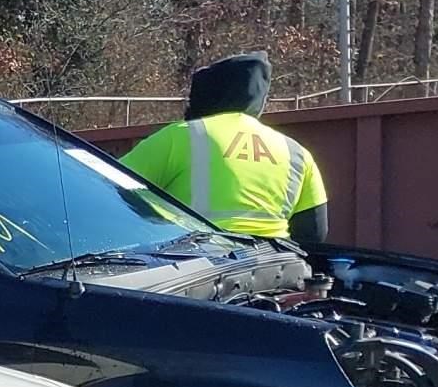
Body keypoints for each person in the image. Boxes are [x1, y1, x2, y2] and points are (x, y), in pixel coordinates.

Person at [120, 51, 328, 247]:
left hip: (194, 265)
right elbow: (314, 232)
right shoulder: (296, 152)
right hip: (274, 268)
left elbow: (108, 189)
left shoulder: (180, 136)